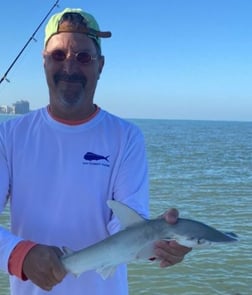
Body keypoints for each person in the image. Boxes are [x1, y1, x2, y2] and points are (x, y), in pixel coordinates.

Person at [0, 7, 191, 295]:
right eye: (58, 55)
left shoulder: (126, 137)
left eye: (84, 57)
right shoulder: (9, 136)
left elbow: (126, 220)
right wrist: (19, 254)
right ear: (44, 62)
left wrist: (157, 245)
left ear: (100, 65)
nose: (70, 67)